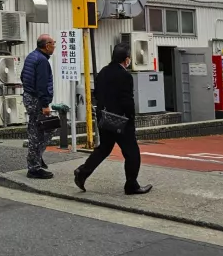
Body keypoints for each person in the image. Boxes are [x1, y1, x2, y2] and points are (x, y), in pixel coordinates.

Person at [74, 43, 152, 196]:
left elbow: (97, 95)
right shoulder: (125, 76)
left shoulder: (103, 72)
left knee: (104, 148)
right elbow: (127, 101)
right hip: (121, 121)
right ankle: (131, 185)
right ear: (126, 59)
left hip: (104, 119)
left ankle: (82, 172)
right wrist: (131, 119)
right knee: (132, 153)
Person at [22, 34, 55, 179]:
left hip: (29, 96)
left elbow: (23, 76)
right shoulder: (42, 61)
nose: (54, 46)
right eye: (53, 43)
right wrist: (45, 104)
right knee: (40, 132)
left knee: (36, 130)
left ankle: (36, 158)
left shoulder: (31, 56)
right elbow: (42, 85)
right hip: (37, 100)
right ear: (47, 45)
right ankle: (34, 167)